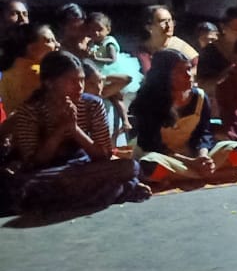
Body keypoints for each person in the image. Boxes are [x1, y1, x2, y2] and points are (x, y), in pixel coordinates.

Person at [9, 50, 149, 213]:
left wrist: (74, 129)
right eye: (72, 81)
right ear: (49, 83)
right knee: (25, 184)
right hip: (47, 172)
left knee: (130, 167)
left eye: (82, 80)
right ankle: (117, 190)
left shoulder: (92, 105)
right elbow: (33, 162)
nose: (80, 87)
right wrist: (60, 130)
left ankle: (92, 192)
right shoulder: (30, 111)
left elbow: (103, 155)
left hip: (83, 167)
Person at [130, 48, 237, 183]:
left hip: (190, 154)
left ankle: (185, 175)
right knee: (149, 166)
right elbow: (151, 144)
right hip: (163, 156)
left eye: (188, 69)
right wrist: (191, 163)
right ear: (165, 75)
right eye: (181, 71)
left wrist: (203, 156)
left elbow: (204, 133)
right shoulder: (149, 101)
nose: (189, 75)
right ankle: (209, 175)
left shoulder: (199, 97)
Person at [0, 23, 60, 111]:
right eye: (49, 41)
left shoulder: (7, 72)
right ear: (31, 48)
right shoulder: (39, 74)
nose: (57, 44)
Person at [137, 5, 198, 74]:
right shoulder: (142, 50)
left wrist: (186, 76)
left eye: (170, 20)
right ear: (149, 27)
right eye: (162, 21)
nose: (169, 25)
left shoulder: (179, 45)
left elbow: (199, 66)